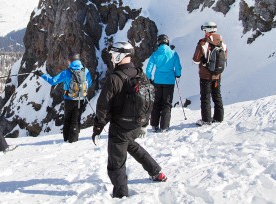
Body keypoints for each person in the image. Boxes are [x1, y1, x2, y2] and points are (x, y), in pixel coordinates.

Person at [92, 41, 167, 199]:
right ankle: (156, 172)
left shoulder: (115, 78)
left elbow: (103, 107)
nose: (111, 58)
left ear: (119, 55)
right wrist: (144, 123)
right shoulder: (140, 73)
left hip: (120, 127)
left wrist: (98, 127)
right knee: (133, 147)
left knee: (116, 164)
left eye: (113, 55)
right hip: (137, 124)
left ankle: (121, 196)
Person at [35, 52, 92, 143]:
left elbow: (53, 81)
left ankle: (66, 139)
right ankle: (74, 140)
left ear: (70, 60)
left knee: (67, 120)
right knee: (76, 120)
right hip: (81, 100)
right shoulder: (85, 71)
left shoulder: (66, 72)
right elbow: (89, 82)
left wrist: (41, 74)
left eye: (68, 60)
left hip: (69, 99)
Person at [192, 21, 227, 126]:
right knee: (217, 95)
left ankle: (206, 120)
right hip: (217, 75)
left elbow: (196, 60)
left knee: (205, 97)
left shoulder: (203, 43)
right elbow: (225, 58)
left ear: (206, 30)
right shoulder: (222, 43)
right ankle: (219, 118)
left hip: (205, 75)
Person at [145, 34, 182, 132]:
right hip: (169, 82)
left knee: (156, 103)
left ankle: (154, 125)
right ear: (167, 42)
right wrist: (178, 74)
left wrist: (150, 78)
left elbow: (148, 69)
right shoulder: (173, 54)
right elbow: (178, 67)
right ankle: (164, 126)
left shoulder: (155, 54)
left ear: (159, 42)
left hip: (157, 81)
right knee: (166, 103)